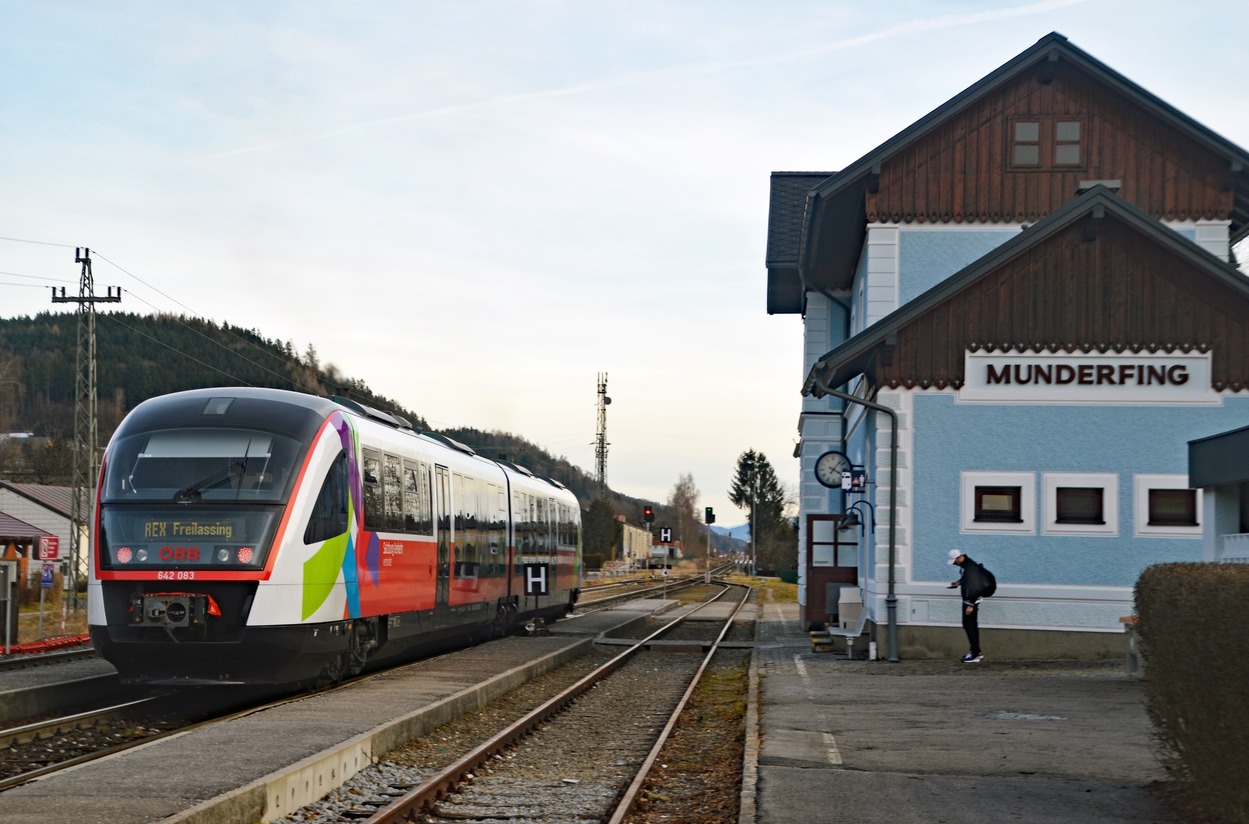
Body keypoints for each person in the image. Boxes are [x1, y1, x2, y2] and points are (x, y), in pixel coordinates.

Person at [947, 549, 989, 663]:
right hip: (969, 601)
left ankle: (975, 653)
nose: (954, 564)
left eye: (954, 561)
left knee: (970, 626)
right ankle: (976, 651)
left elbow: (975, 586)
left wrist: (971, 604)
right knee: (970, 626)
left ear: (959, 558)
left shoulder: (970, 567)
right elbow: (968, 580)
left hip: (971, 601)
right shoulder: (967, 566)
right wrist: (958, 583)